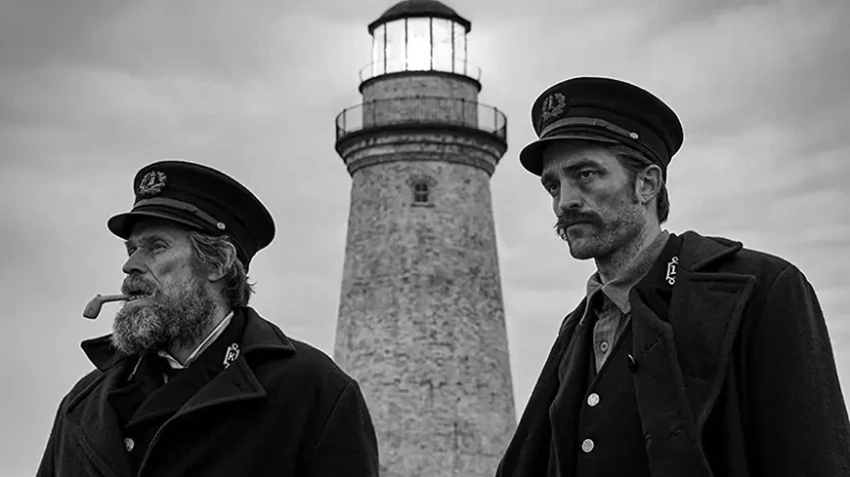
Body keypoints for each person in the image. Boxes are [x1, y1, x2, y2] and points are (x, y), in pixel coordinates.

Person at [496, 77, 850, 477]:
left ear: (647, 183)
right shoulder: (576, 328)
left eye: (586, 175)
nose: (565, 201)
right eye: (553, 186)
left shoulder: (760, 288)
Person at [37, 161, 380, 477]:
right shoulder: (84, 403)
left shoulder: (313, 393)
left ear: (217, 264)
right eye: (132, 249)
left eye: (156, 247)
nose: (130, 266)